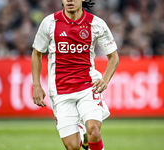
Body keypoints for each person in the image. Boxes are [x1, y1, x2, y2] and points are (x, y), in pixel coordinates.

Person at [32, 0, 119, 150]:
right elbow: (37, 53)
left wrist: (105, 79)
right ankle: (81, 131)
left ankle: (86, 131)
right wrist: (37, 85)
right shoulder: (49, 22)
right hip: (60, 91)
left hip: (88, 86)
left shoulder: (96, 24)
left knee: (94, 130)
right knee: (73, 147)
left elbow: (114, 56)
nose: (70, 0)